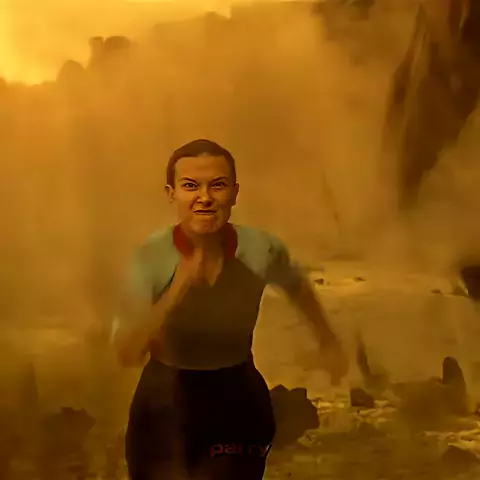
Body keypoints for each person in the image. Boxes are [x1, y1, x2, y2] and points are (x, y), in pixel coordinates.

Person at [112, 139, 348, 480]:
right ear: (171, 194)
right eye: (190, 186)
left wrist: (327, 341)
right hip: (164, 401)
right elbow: (126, 352)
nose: (204, 197)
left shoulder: (261, 250)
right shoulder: (150, 258)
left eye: (217, 185)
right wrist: (177, 289)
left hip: (236, 397)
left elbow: (297, 287)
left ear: (235, 193)